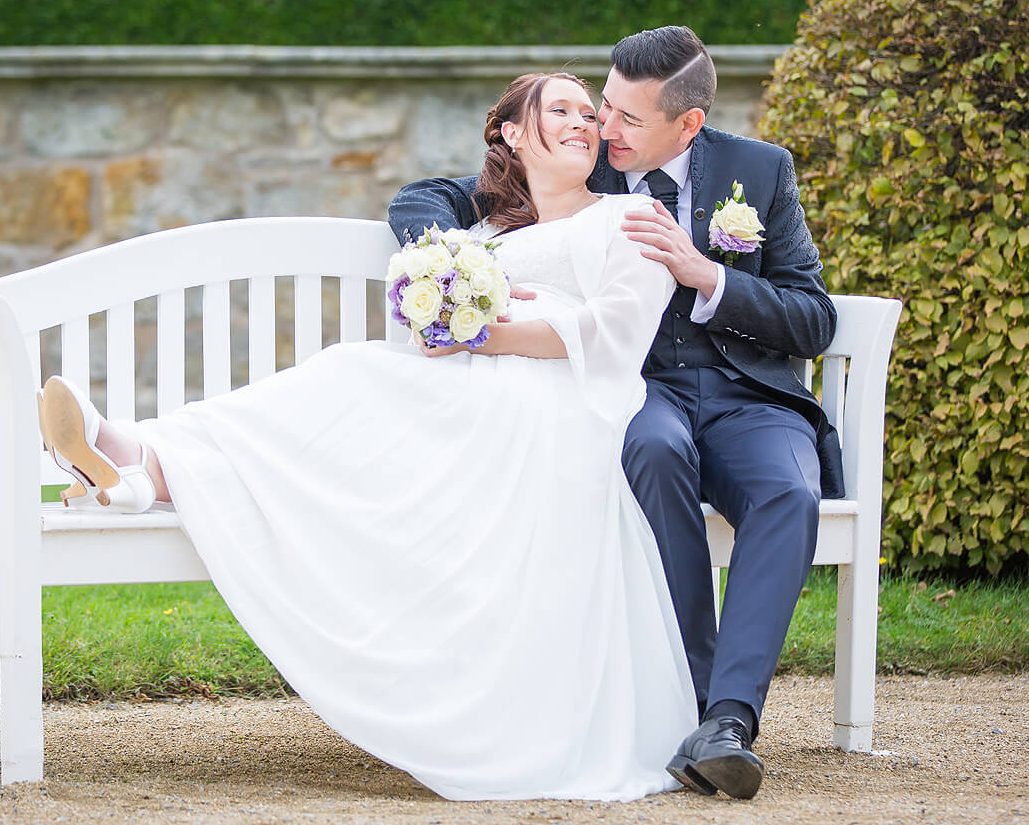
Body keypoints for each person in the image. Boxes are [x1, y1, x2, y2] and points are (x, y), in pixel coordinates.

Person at [38, 72, 697, 801]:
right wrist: (452, 324)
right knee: (350, 376)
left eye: (588, 113)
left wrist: (490, 334)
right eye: (562, 110)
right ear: (513, 132)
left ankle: (141, 466)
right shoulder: (482, 235)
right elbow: (433, 277)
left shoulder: (627, 219)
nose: (582, 123)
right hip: (462, 393)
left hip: (557, 402)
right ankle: (141, 462)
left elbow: (618, 332)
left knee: (355, 379)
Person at [389, 26, 840, 800]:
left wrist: (707, 276)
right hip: (640, 389)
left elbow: (813, 318)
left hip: (748, 398)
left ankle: (728, 722)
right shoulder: (587, 159)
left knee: (787, 494)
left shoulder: (758, 172)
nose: (605, 128)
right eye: (603, 107)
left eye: (628, 119)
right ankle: (687, 699)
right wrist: (457, 267)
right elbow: (428, 197)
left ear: (687, 124)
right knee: (653, 456)